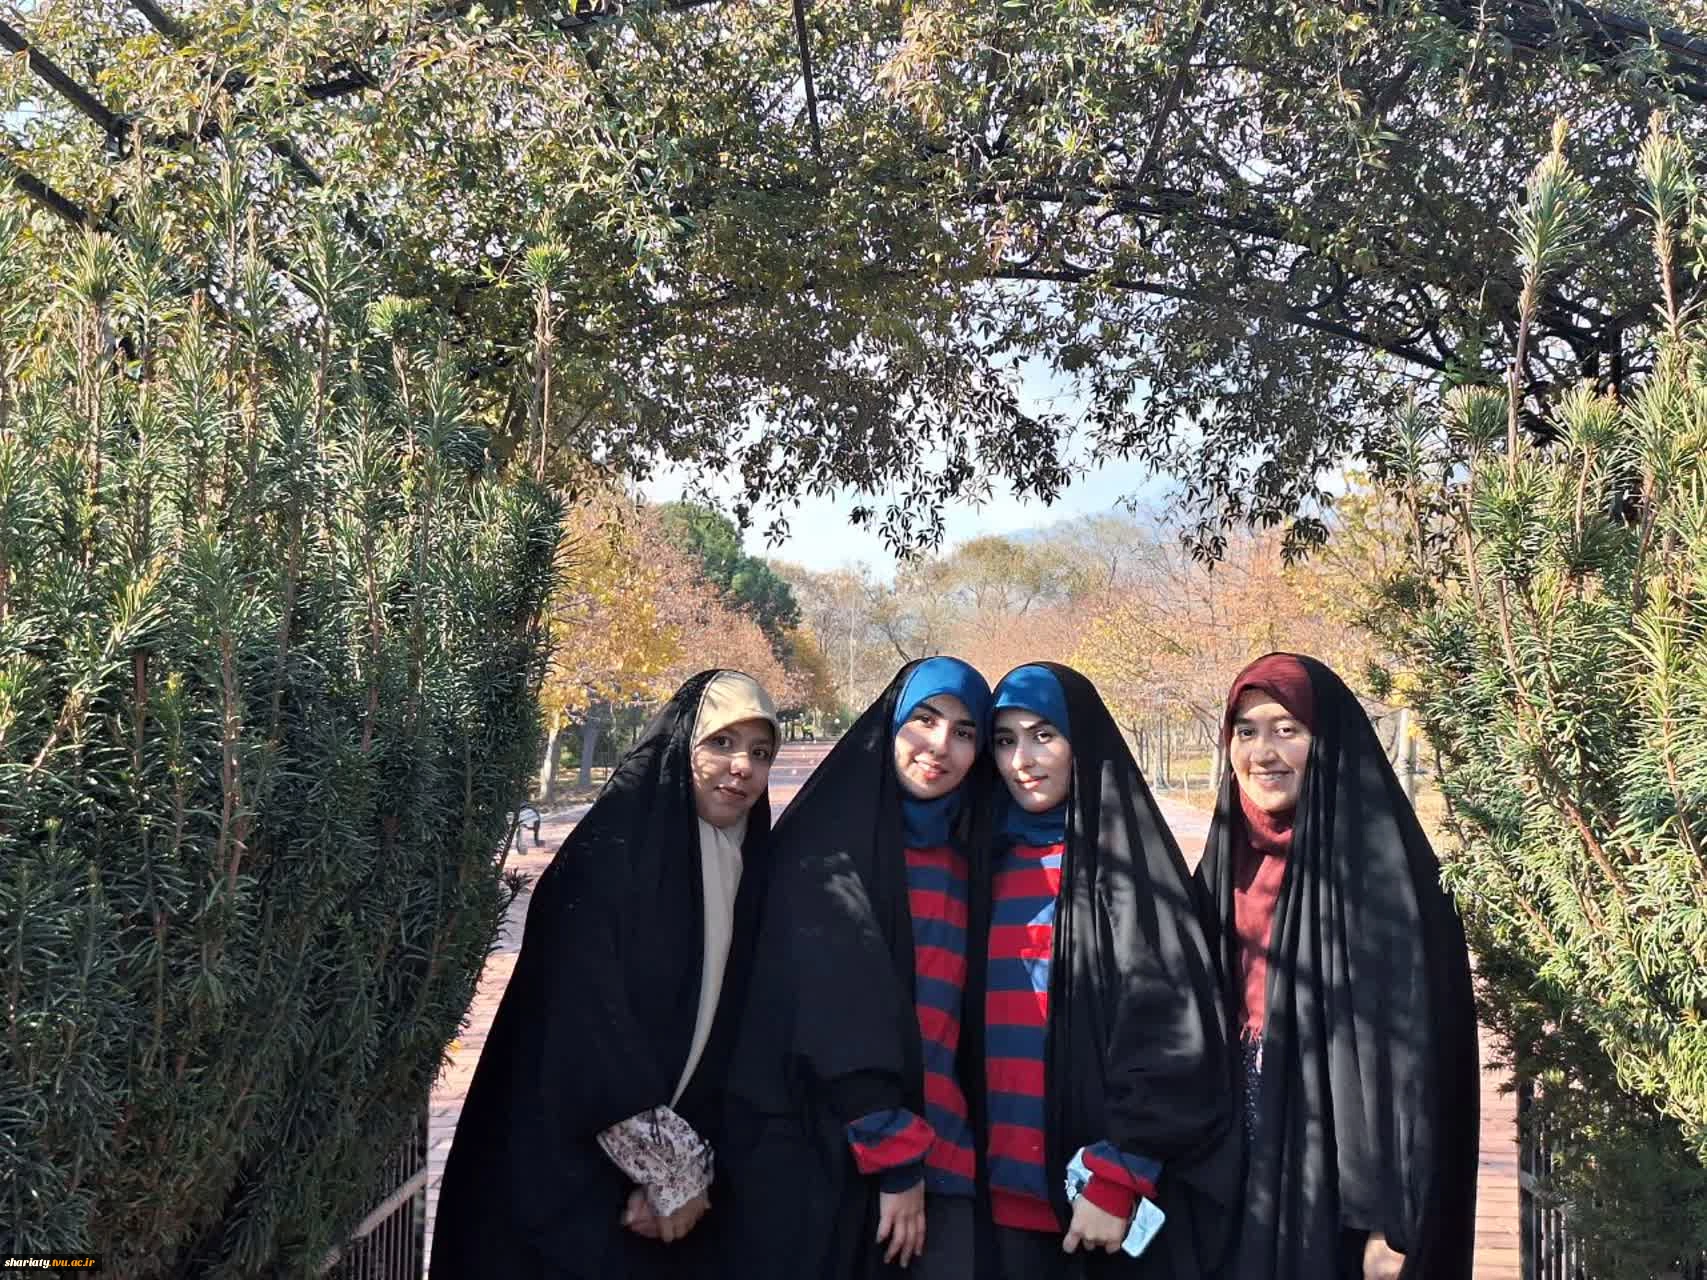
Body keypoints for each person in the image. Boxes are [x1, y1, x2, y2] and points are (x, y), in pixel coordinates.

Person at [430, 670, 780, 1280]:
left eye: (760, 752)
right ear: (681, 746)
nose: (742, 767)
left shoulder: (752, 867)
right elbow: (581, 1024)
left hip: (681, 1199)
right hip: (569, 1171)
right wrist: (668, 1170)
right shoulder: (609, 855)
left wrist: (693, 1173)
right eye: (721, 742)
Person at [1196, 654, 1479, 1280]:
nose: (1263, 753)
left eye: (1287, 729)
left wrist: (1390, 1223)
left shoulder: (1383, 879)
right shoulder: (1222, 868)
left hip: (1337, 1183)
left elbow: (1410, 1064)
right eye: (1246, 730)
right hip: (1230, 1171)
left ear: (1327, 739)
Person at [723, 658, 992, 1280]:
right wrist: (893, 1152)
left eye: (965, 732)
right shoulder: (828, 847)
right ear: (891, 723)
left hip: (948, 1158)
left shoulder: (971, 853)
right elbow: (832, 1013)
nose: (940, 746)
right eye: (924, 720)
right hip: (836, 1159)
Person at [971, 663, 1240, 1279]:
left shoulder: (1128, 873)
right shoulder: (986, 861)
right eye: (1005, 740)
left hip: (1098, 1206)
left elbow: (1174, 1033)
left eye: (1044, 735)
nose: (1022, 761)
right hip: (995, 1204)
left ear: (1081, 742)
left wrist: (1121, 1173)